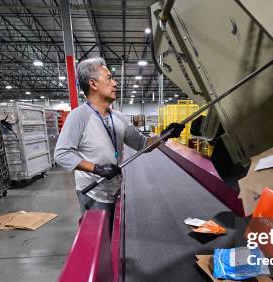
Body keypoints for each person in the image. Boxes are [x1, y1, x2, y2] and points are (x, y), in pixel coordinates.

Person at [54, 57, 184, 215]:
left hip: (115, 189)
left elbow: (143, 144)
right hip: (94, 193)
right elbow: (61, 154)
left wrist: (164, 135)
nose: (115, 84)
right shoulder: (79, 116)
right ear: (93, 84)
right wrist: (97, 169)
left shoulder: (119, 117)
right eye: (109, 78)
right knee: (99, 237)